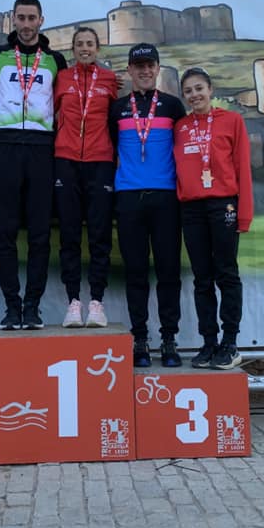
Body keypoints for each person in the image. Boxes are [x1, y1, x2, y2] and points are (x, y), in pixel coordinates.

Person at [0, 0, 68, 330]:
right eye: (21, 18)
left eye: (32, 18)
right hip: (4, 148)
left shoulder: (55, 60)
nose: (26, 25)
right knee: (5, 232)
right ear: (13, 20)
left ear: (42, 21)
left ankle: (33, 307)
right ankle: (12, 306)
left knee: (40, 234)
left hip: (41, 150)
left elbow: (69, 99)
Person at [109, 43, 186, 367]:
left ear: (157, 68)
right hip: (128, 197)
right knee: (136, 272)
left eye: (149, 65)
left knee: (169, 271)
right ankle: (139, 339)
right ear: (129, 70)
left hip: (166, 198)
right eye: (137, 65)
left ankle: (169, 340)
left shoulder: (172, 106)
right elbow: (111, 148)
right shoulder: (117, 108)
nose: (144, 70)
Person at [173, 68, 254, 371]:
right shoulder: (179, 127)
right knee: (202, 278)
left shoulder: (232, 121)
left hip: (223, 206)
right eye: (189, 91)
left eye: (199, 89)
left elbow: (242, 168)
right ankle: (209, 342)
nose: (195, 95)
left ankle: (230, 342)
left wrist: (243, 215)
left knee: (226, 273)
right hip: (192, 208)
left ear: (211, 89)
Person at [53, 27, 117, 328]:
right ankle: (73, 302)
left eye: (90, 44)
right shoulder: (62, 79)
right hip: (65, 159)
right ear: (73, 49)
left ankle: (97, 303)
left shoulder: (109, 81)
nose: (85, 49)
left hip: (101, 160)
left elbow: (115, 120)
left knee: (99, 233)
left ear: (98, 48)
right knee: (69, 233)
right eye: (79, 44)